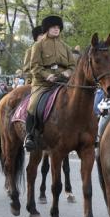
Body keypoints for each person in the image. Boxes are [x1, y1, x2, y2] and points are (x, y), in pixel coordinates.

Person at [24, 14, 74, 152]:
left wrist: (68, 73)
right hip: (43, 84)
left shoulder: (65, 46)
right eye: (53, 27)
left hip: (63, 82)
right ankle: (30, 136)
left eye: (58, 27)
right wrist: (47, 76)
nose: (56, 29)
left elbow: (73, 66)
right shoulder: (38, 46)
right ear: (47, 29)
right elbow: (34, 67)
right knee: (33, 105)